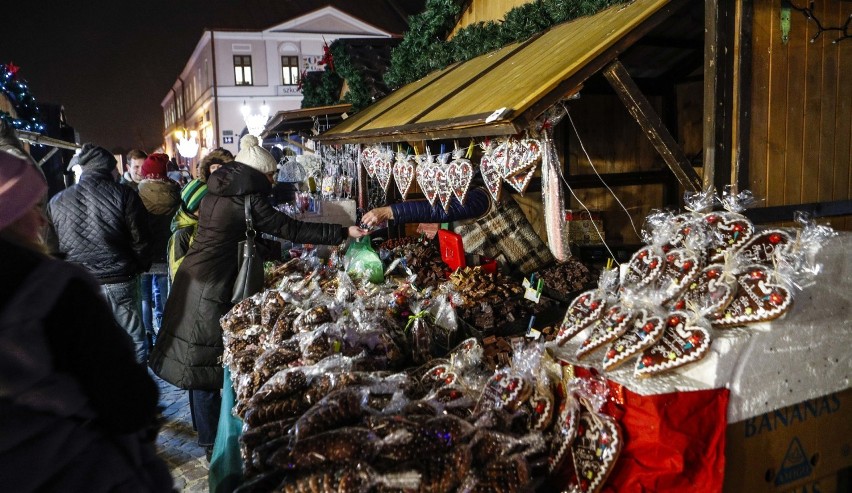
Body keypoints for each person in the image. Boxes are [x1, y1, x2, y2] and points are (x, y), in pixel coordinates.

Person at [149, 134, 367, 458]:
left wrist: (277, 254)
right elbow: (289, 228)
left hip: (194, 279)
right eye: (271, 175)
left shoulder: (217, 193)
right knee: (204, 366)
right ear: (258, 174)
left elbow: (236, 239)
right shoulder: (247, 199)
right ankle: (212, 446)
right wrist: (342, 231)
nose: (274, 180)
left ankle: (206, 434)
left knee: (200, 363)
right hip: (209, 287)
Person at [0, 150, 173, 492]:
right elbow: (124, 397)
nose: (40, 220)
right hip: (76, 470)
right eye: (31, 209)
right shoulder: (51, 289)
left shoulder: (62, 199)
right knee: (135, 337)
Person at [46, 143, 153, 363]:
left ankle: (102, 392)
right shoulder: (125, 194)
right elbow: (141, 239)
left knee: (91, 342)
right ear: (107, 168)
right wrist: (138, 266)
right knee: (133, 339)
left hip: (81, 283)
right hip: (120, 278)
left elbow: (50, 247)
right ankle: (134, 391)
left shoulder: (57, 201)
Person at [361, 184, 555, 275]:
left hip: (530, 270)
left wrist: (389, 211)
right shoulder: (467, 195)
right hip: (504, 269)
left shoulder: (481, 194)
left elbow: (444, 210)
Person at [167, 148, 234, 281]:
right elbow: (179, 272)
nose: (216, 170)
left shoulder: (205, 222)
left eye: (220, 166)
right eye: (213, 167)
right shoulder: (184, 233)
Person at [138, 153, 181, 348]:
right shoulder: (175, 192)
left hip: (144, 254)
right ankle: (165, 332)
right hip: (165, 252)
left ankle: (147, 332)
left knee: (145, 296)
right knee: (164, 295)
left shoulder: (137, 194)